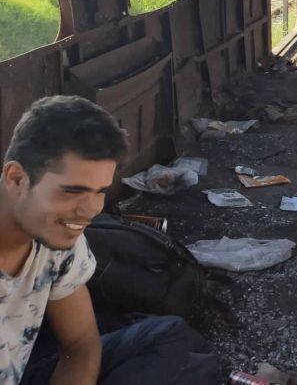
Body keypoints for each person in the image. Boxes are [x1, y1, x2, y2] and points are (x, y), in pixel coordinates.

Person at [1, 96, 218, 385]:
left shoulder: (56, 237)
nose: (90, 209)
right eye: (72, 191)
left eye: (100, 191)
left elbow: (80, 342)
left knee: (169, 335)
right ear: (16, 178)